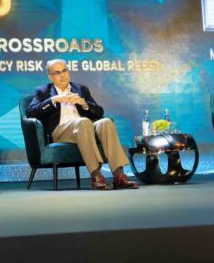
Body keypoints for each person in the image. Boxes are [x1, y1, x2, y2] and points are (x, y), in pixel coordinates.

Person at [26, 60, 139, 190]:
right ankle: (96, 175)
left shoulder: (80, 89)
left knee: (106, 122)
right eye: (57, 73)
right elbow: (30, 112)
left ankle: (119, 176)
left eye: (64, 71)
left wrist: (84, 103)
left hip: (85, 128)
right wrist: (54, 100)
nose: (62, 75)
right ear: (50, 77)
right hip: (61, 131)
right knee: (83, 122)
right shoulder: (42, 91)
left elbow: (99, 112)